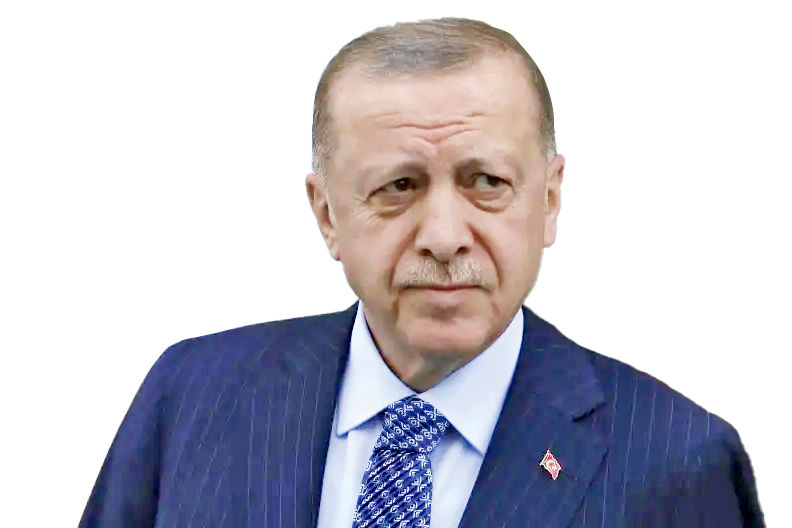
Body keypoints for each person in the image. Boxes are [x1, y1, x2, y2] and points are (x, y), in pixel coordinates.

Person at [79, 18, 764, 527]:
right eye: (399, 186)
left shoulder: (676, 461)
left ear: (550, 201)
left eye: (486, 182)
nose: (442, 236)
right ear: (326, 213)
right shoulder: (192, 398)